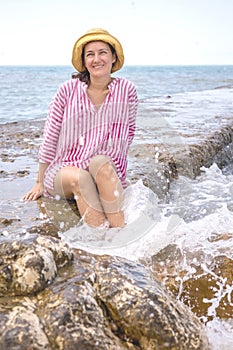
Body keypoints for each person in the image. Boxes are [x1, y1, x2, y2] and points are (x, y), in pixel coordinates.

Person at [24, 28, 138, 228]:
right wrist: (39, 181)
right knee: (81, 177)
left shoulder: (126, 90)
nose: (96, 59)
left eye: (102, 52)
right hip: (65, 170)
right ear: (84, 62)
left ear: (113, 57)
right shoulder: (67, 89)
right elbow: (50, 135)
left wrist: (110, 177)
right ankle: (102, 241)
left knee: (100, 162)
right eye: (90, 54)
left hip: (105, 171)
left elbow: (127, 136)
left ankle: (122, 237)